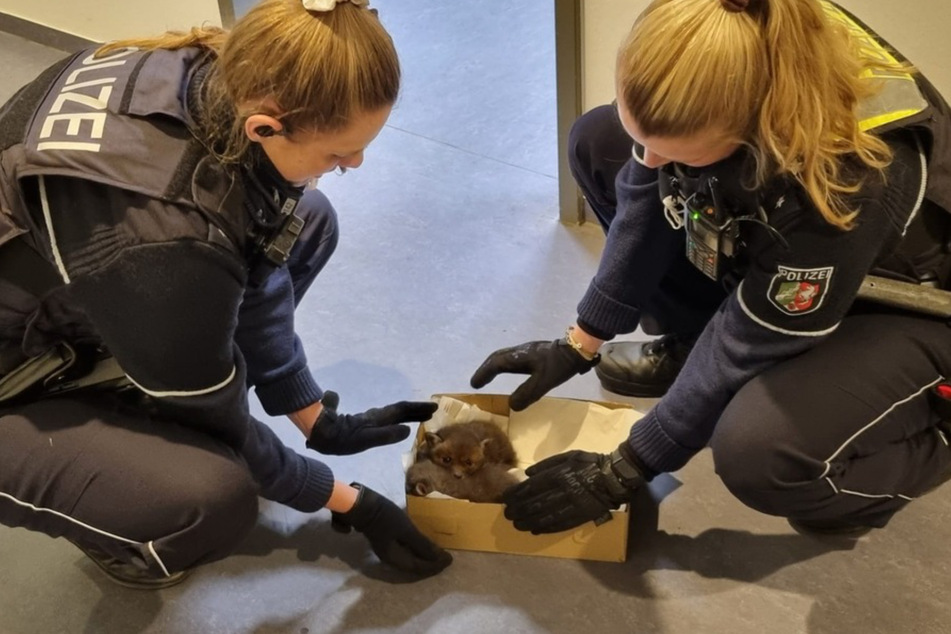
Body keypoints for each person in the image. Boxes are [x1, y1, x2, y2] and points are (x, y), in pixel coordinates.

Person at [0, 0, 452, 589]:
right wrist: (348, 501)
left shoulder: (212, 68)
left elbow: (258, 244)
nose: (356, 163)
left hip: (63, 296)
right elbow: (223, 421)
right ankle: (127, 528)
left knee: (309, 218)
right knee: (210, 495)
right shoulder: (163, 250)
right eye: (338, 155)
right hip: (17, 367)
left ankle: (141, 388)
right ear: (265, 126)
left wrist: (313, 416)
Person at [471, 0, 951, 537]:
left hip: (910, 300)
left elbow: (752, 337)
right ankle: (697, 352)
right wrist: (579, 340)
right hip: (802, 250)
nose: (648, 162)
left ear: (751, 125)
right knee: (598, 138)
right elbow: (650, 192)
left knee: (762, 451)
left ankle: (925, 439)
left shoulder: (849, 177)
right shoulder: (719, 36)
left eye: (674, 154)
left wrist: (627, 466)